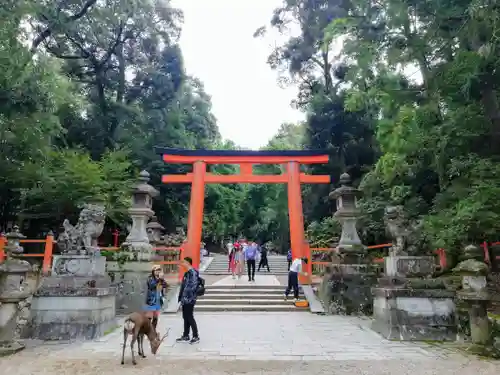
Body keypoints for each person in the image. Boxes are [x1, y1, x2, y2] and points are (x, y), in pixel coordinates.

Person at [176, 257, 200, 344]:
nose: (182, 264)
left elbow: (193, 286)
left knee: (190, 317)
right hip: (185, 299)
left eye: (183, 262)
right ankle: (186, 335)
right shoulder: (187, 273)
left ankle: (196, 336)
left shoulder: (193, 272)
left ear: (188, 263)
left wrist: (186, 296)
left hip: (189, 298)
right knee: (185, 317)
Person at [144, 265, 167, 330]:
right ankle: (147, 330)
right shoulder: (150, 278)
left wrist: (162, 279)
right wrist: (159, 279)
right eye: (157, 270)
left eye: (159, 270)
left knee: (155, 317)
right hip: (151, 300)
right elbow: (151, 285)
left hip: (158, 300)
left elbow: (165, 285)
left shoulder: (160, 278)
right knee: (149, 317)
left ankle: (153, 331)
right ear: (153, 271)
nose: (158, 271)